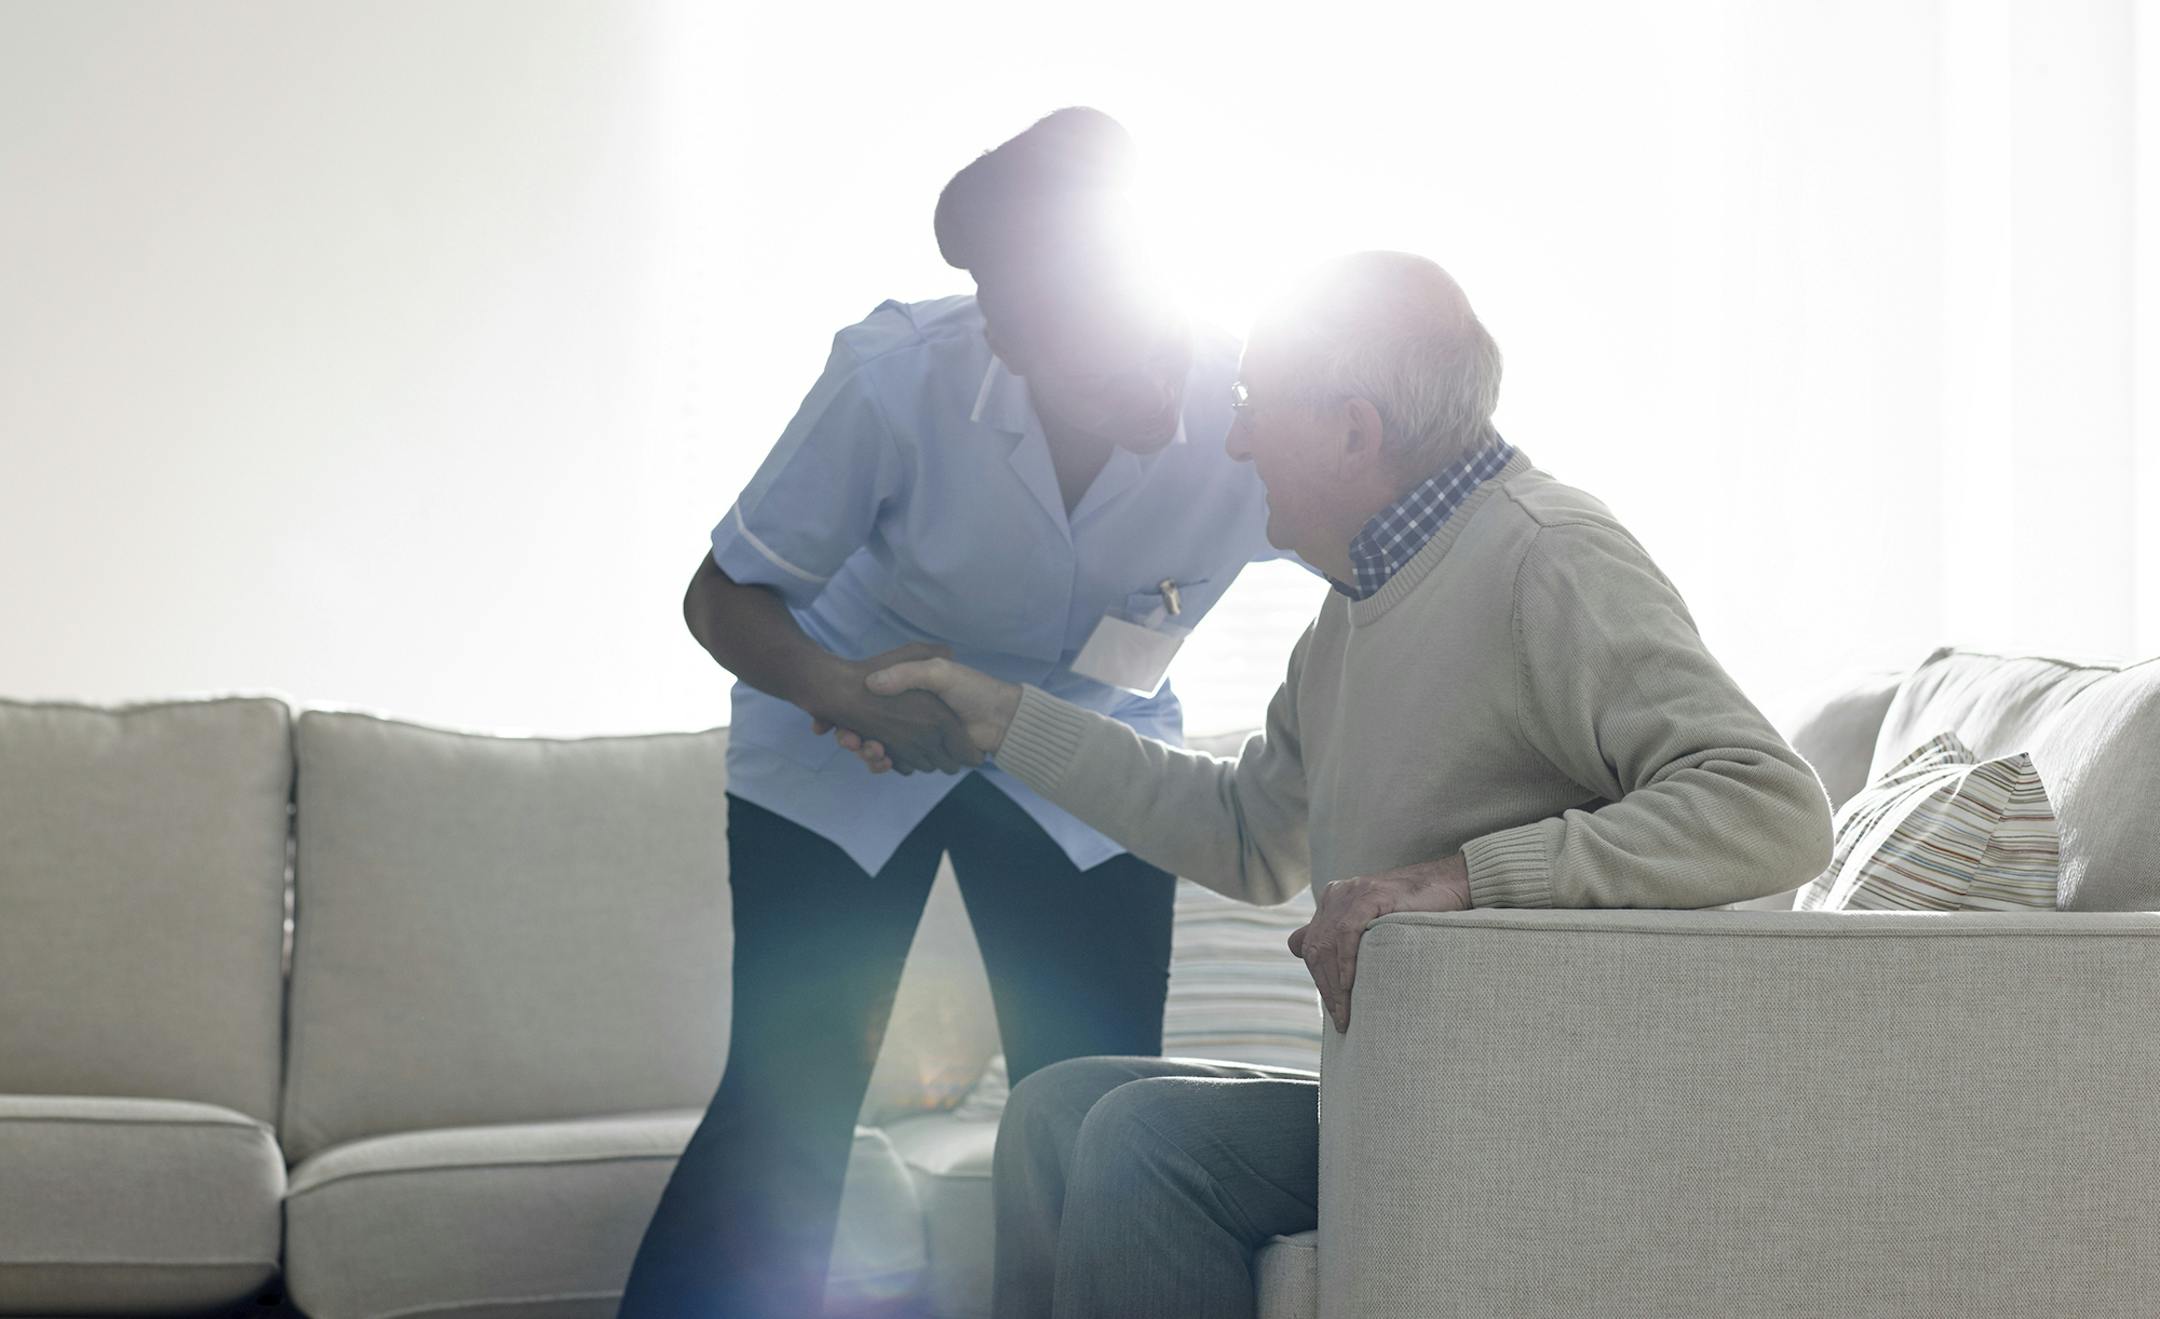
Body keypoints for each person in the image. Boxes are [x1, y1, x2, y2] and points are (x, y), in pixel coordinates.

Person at [855, 250, 1837, 1319]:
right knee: (1055, 1106)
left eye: (1253, 407)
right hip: (1412, 1084)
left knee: (1145, 1140)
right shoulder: (1354, 607)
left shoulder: (1546, 555)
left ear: (1354, 430)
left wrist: (1457, 880)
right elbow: (1245, 832)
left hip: (1545, 1104)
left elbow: (1769, 803)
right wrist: (1006, 721)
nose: (1234, 440)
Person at [615, 109, 1281, 1318]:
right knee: (791, 1091)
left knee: (1096, 1102)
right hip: (845, 733)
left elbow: (1387, 555)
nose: (1152, 379)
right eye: (1101, 353)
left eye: (1154, 331)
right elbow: (721, 595)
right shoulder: (896, 376)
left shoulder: (1249, 407)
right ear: (1014, 340)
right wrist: (836, 689)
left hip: (1082, 754)